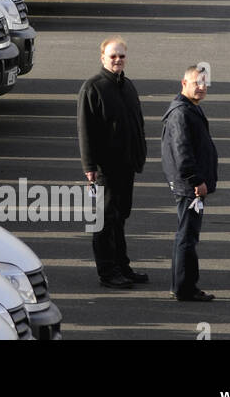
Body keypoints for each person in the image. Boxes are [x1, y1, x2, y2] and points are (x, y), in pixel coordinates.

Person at [77, 36, 149, 288]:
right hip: (104, 169)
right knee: (105, 220)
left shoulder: (127, 85)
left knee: (120, 217)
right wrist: (89, 167)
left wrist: (140, 155)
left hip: (126, 166)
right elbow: (85, 130)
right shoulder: (93, 87)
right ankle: (108, 272)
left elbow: (137, 123)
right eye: (113, 56)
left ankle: (122, 266)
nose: (118, 60)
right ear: (103, 58)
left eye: (122, 56)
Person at [161, 65, 219, 302]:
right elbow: (182, 151)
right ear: (184, 83)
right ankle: (185, 288)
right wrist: (196, 180)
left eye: (205, 83)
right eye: (197, 83)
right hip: (190, 187)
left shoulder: (190, 108)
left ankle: (183, 286)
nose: (202, 87)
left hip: (190, 185)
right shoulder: (181, 113)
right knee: (187, 236)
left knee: (186, 236)